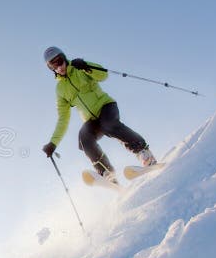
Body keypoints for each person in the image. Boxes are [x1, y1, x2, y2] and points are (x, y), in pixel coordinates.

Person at [41, 46, 155, 183]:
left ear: (64, 58)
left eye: (59, 62)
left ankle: (144, 153)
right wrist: (53, 143)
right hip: (91, 120)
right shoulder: (60, 89)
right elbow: (63, 118)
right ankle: (107, 173)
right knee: (84, 140)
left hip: (106, 106)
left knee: (108, 125)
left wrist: (86, 66)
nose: (58, 68)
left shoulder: (79, 67)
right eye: (52, 66)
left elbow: (103, 75)